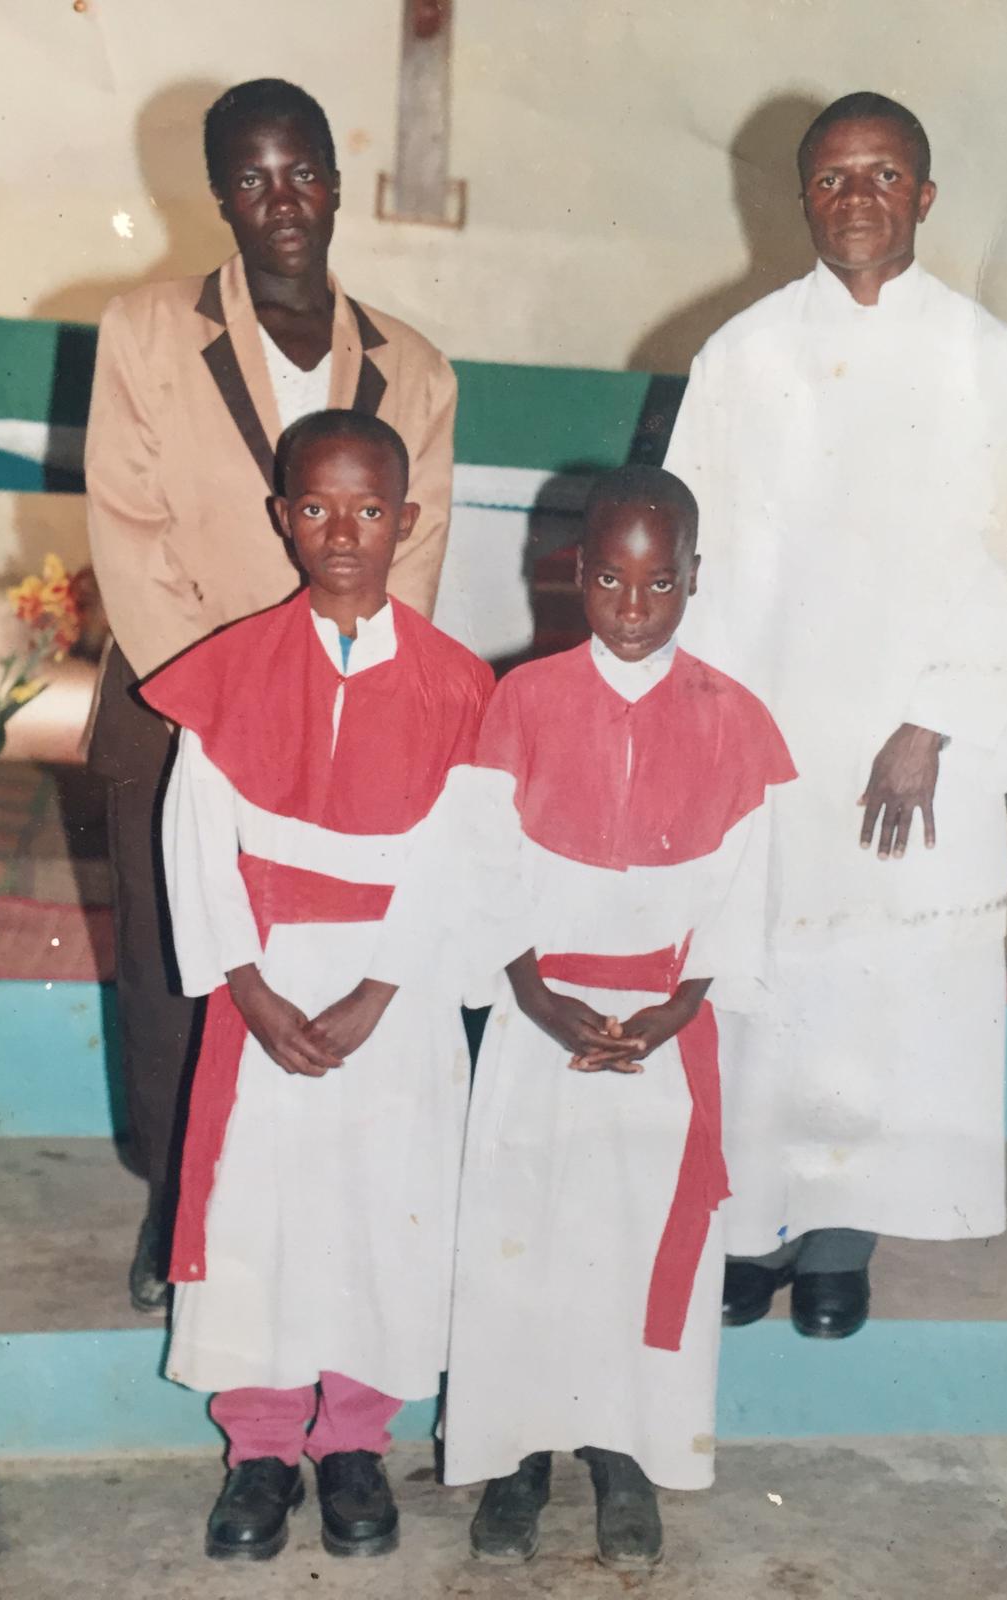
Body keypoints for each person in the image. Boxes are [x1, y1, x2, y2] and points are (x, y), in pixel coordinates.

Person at [663, 92, 1007, 1338]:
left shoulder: (986, 359)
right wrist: (710, 725)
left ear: (925, 198)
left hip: (911, 743)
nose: (857, 199)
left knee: (877, 986)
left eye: (883, 176)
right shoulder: (741, 355)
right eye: (833, 179)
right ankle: (754, 1225)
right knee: (767, 975)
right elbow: (690, 546)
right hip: (770, 726)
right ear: (803, 198)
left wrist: (934, 720)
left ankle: (841, 1239)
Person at [83, 78, 457, 1312]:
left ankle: (303, 1201)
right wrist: (229, 703)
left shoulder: (413, 364)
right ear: (220, 198)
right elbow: (131, 530)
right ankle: (169, 1200)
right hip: (182, 700)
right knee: (175, 956)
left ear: (336, 183)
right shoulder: (147, 330)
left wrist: (342, 698)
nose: (281, 201)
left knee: (312, 951)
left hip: (346, 713)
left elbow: (418, 551)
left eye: (301, 172)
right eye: (252, 179)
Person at [412, 466, 795, 1569]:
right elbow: (483, 869)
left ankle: (626, 1455)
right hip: (546, 1023)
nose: (634, 606)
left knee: (630, 1243)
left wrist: (677, 1007)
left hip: (661, 1036)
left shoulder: (733, 718)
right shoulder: (521, 702)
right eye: (613, 580)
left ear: (693, 581)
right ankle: (518, 1456)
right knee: (523, 1239)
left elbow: (743, 882)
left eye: (660, 582)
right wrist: (532, 992)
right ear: (575, 573)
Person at [138, 412, 492, 1561]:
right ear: (282, 516)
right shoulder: (233, 670)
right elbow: (198, 837)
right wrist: (246, 983)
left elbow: (457, 855)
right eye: (318, 508)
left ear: (410, 519)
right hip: (270, 984)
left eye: (371, 510)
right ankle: (258, 1446)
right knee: (263, 1213)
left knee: (382, 1211)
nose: (344, 533)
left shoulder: (455, 685)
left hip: (396, 991)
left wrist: (381, 989)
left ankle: (354, 1438)